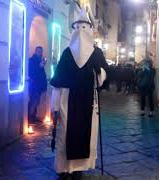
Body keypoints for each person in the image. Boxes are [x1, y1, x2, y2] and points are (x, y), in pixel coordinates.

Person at [50, 10, 107, 180]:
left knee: (83, 135)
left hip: (87, 101)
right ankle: (65, 168)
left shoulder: (96, 53)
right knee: (65, 134)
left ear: (89, 29)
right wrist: (54, 107)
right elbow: (58, 82)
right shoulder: (68, 53)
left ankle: (77, 168)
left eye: (84, 27)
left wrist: (99, 70)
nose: (82, 32)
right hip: (68, 101)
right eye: (79, 28)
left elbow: (102, 77)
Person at [28, 46, 47, 123]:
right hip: (34, 84)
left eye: (41, 52)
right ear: (35, 52)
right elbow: (33, 72)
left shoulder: (39, 60)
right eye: (39, 52)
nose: (40, 53)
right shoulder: (33, 60)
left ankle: (33, 116)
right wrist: (40, 66)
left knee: (36, 101)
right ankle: (30, 118)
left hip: (38, 85)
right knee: (34, 101)